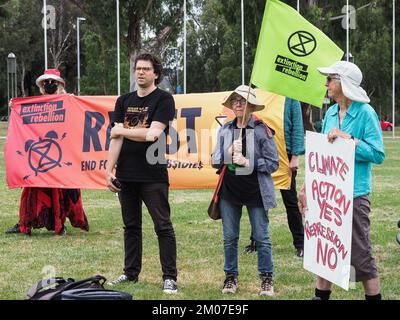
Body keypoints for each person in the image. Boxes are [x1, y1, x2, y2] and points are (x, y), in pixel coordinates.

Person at [298, 61, 385, 300]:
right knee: (324, 249)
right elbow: (323, 156)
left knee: (360, 254)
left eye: (330, 79)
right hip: (327, 193)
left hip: (354, 195)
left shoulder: (366, 113)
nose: (326, 83)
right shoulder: (331, 113)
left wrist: (351, 141)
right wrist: (307, 187)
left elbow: (378, 153)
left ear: (343, 83)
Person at [105, 53, 177, 294]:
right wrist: (108, 171)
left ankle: (170, 277)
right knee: (131, 227)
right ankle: (130, 272)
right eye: (138, 68)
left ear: (155, 73)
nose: (140, 73)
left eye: (146, 69)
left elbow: (152, 134)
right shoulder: (123, 100)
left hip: (153, 175)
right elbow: (115, 139)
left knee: (163, 226)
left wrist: (122, 129)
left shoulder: (164, 99)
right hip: (126, 175)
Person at [211, 85, 279, 296]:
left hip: (256, 191)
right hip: (230, 191)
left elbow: (273, 163)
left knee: (261, 237)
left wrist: (249, 162)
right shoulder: (226, 129)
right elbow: (214, 161)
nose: (238, 103)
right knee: (230, 237)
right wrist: (227, 154)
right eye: (235, 100)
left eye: (242, 100)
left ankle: (266, 279)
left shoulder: (261, 129)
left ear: (251, 105)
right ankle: (230, 277)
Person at [5, 69, 89, 236]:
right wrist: (15, 107)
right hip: (38, 158)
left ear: (59, 84)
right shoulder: (34, 105)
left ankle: (60, 222)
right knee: (32, 190)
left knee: (59, 190)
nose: (49, 85)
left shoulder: (69, 101)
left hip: (61, 155)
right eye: (46, 83)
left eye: (52, 82)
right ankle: (25, 222)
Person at [245, 97, 305, 258]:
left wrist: (295, 156)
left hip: (285, 156)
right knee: (258, 200)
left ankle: (301, 243)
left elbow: (297, 128)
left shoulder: (291, 98)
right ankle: (256, 240)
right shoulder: (259, 93)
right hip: (261, 156)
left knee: (290, 201)